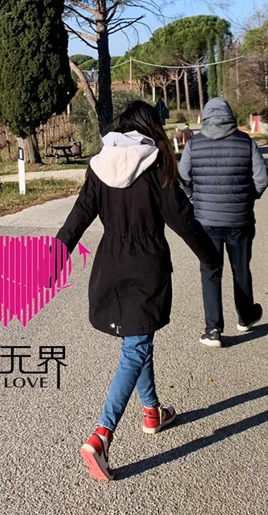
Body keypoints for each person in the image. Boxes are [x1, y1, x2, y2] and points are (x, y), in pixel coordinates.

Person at [55, 100, 220, 482]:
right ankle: (101, 435)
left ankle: (152, 412)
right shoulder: (155, 164)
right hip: (146, 267)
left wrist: (52, 261)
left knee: (137, 340)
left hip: (110, 265)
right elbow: (183, 219)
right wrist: (211, 259)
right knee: (136, 346)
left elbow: (78, 217)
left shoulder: (100, 165)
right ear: (150, 128)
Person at [178, 97, 268, 348]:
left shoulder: (194, 144)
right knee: (241, 269)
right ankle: (246, 317)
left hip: (205, 222)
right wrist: (247, 198)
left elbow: (183, 178)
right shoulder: (245, 142)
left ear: (206, 117)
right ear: (230, 116)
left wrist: (194, 198)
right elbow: (262, 179)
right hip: (240, 220)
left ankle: (213, 330)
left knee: (210, 271)